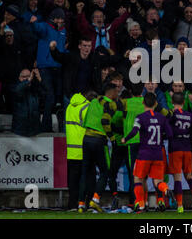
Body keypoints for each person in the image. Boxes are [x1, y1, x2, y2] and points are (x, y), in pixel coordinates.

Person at [121, 92, 175, 213]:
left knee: (138, 179)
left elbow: (134, 131)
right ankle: (166, 190)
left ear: (143, 103)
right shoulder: (162, 117)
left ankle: (140, 204)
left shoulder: (140, 117)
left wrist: (125, 139)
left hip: (144, 154)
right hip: (158, 154)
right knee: (158, 181)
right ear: (156, 104)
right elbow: (170, 134)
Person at [77, 83, 120, 213]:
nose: (117, 94)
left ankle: (80, 204)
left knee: (85, 172)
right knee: (105, 171)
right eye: (116, 91)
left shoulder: (94, 101)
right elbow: (106, 121)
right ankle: (94, 201)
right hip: (99, 140)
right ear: (111, 92)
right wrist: (112, 138)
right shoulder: (110, 104)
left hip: (86, 138)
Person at [168, 92, 192, 213]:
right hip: (187, 149)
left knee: (177, 178)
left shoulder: (171, 115)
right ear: (183, 103)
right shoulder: (190, 115)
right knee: (189, 176)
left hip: (175, 149)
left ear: (172, 102)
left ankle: (180, 206)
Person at [65, 90, 98, 211]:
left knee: (73, 181)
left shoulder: (70, 106)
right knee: (89, 178)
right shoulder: (87, 107)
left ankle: (72, 205)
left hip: (72, 151)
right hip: (85, 150)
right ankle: (88, 204)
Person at [12, 69, 43, 137]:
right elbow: (18, 90)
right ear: (19, 78)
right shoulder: (15, 87)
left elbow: (45, 95)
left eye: (28, 76)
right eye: (24, 77)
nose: (27, 78)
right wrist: (28, 80)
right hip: (19, 130)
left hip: (35, 130)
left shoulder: (34, 88)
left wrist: (39, 79)